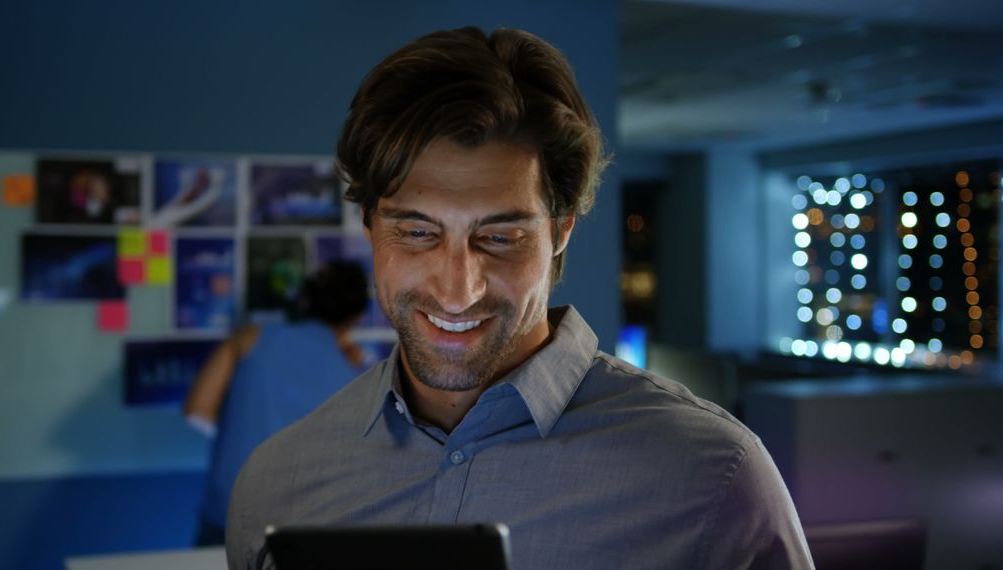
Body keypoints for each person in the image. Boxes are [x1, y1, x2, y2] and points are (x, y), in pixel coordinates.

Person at [227, 26, 814, 569]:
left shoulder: (711, 477)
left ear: (561, 231)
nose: (457, 290)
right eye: (417, 232)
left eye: (500, 237)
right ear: (370, 227)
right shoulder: (276, 485)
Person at [184, 260, 369, 546]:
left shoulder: (250, 339)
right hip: (308, 529)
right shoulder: (356, 377)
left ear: (306, 300)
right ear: (356, 317)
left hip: (230, 516)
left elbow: (197, 411)